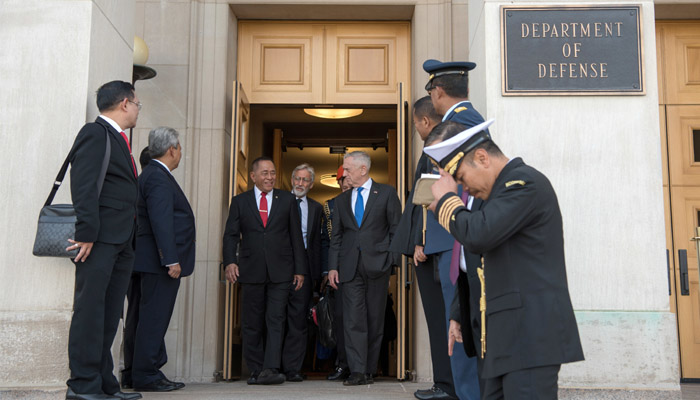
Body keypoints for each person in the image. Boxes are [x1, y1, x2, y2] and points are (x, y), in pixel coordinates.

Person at [425, 119, 585, 399]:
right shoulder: (497, 192)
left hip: (529, 339)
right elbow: (472, 261)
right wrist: (460, 312)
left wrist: (448, 203)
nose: (464, 188)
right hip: (500, 340)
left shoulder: (523, 184)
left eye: (462, 178)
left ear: (482, 158)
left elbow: (479, 234)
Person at [65, 80, 142, 400]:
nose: (138, 110)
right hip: (98, 241)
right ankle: (82, 386)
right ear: (125, 103)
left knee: (110, 314)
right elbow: (83, 184)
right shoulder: (95, 133)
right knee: (90, 312)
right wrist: (86, 233)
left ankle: (105, 383)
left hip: (121, 241)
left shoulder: (119, 140)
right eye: (137, 104)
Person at [390, 96, 460, 400]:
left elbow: (431, 195)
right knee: (441, 320)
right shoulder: (438, 142)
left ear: (424, 121)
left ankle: (451, 385)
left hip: (440, 245)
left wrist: (422, 240)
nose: (416, 130)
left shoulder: (440, 143)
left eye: (415, 123)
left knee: (448, 320)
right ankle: (446, 383)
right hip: (434, 245)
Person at [222, 156, 308, 385]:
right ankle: (255, 370)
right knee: (252, 321)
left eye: (272, 173)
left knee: (276, 319)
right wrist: (230, 262)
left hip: (282, 270)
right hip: (250, 270)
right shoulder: (239, 201)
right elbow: (231, 235)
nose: (270, 177)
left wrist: (300, 270)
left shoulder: (287, 200)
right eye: (265, 173)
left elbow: (296, 237)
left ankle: (271, 368)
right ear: (253, 176)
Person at [123, 127, 195, 392]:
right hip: (156, 263)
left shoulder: (151, 175)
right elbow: (161, 221)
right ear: (171, 149)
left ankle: (134, 371)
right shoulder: (157, 177)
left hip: (145, 261)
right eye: (179, 148)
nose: (180, 154)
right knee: (153, 319)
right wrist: (170, 259)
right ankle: (146, 375)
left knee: (140, 318)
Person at [327, 151, 401, 386]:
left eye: (347, 169)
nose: (344, 173)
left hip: (378, 265)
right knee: (353, 319)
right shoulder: (340, 201)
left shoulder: (387, 193)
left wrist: (392, 262)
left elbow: (395, 230)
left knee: (374, 318)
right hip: (349, 267)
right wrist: (332, 267)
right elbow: (336, 237)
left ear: (363, 169)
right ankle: (358, 370)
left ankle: (369, 369)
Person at [282, 163, 323, 382]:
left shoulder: (316, 208)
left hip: (304, 271)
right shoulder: (279, 201)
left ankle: (293, 368)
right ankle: (272, 366)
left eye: (305, 180)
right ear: (291, 180)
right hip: (279, 269)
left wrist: (316, 277)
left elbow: (316, 243)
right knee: (276, 318)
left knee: (298, 320)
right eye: (297, 179)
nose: (300, 183)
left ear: (311, 184)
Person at [121, 147, 152, 390]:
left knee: (135, 316)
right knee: (141, 318)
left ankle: (132, 369)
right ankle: (136, 369)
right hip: (142, 262)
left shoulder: (137, 183)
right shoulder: (147, 185)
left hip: (134, 262)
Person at [320, 167, 352, 381]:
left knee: (360, 320)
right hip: (338, 271)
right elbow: (327, 241)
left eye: (349, 178)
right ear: (339, 182)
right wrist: (327, 270)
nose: (346, 183)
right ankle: (342, 364)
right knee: (340, 319)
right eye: (343, 180)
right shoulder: (330, 205)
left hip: (362, 268)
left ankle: (363, 366)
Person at [423, 59, 486, 128]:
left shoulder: (461, 119)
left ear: (438, 92)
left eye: (430, 92)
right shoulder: (462, 116)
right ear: (467, 90)